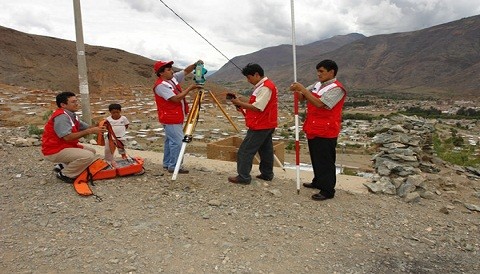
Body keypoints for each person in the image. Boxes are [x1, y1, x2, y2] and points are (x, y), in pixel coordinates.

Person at [289, 59, 347, 201]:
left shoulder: (336, 88)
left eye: (321, 71)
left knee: (325, 160)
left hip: (327, 130)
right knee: (316, 157)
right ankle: (318, 181)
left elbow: (320, 103)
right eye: (318, 71)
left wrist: (302, 89)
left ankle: (327, 190)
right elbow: (303, 97)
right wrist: (297, 90)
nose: (318, 74)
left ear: (331, 72)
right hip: (314, 127)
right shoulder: (317, 85)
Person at [227, 63, 278, 184]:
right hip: (266, 123)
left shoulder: (266, 87)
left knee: (245, 150)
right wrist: (241, 103)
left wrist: (239, 103)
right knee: (266, 150)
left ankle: (243, 176)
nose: (248, 80)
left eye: (249, 77)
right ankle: (267, 173)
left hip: (260, 124)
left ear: (256, 74)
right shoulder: (262, 86)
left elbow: (258, 107)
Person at [41, 91, 106, 183]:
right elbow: (67, 137)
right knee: (88, 156)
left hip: (62, 146)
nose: (77, 104)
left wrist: (101, 125)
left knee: (92, 151)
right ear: (63, 104)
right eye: (73, 102)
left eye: (76, 101)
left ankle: (62, 165)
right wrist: (89, 131)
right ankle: (65, 174)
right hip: (54, 150)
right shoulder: (62, 117)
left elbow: (87, 127)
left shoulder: (71, 115)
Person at [153, 59, 203, 174]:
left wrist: (196, 65)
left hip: (175, 116)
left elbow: (186, 71)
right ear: (161, 73)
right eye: (169, 69)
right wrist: (190, 88)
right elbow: (175, 99)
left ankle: (167, 163)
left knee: (170, 141)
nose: (172, 71)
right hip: (171, 118)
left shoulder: (172, 79)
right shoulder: (161, 86)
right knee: (178, 142)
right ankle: (174, 166)